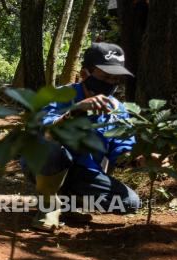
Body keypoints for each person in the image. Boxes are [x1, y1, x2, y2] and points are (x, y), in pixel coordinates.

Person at [29, 42, 141, 231]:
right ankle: (48, 205)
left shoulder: (118, 109)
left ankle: (70, 203)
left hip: (85, 172)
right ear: (84, 74)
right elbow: (45, 132)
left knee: (129, 203)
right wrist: (76, 111)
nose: (111, 84)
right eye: (105, 77)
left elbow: (123, 151)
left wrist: (142, 159)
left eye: (116, 79)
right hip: (46, 162)